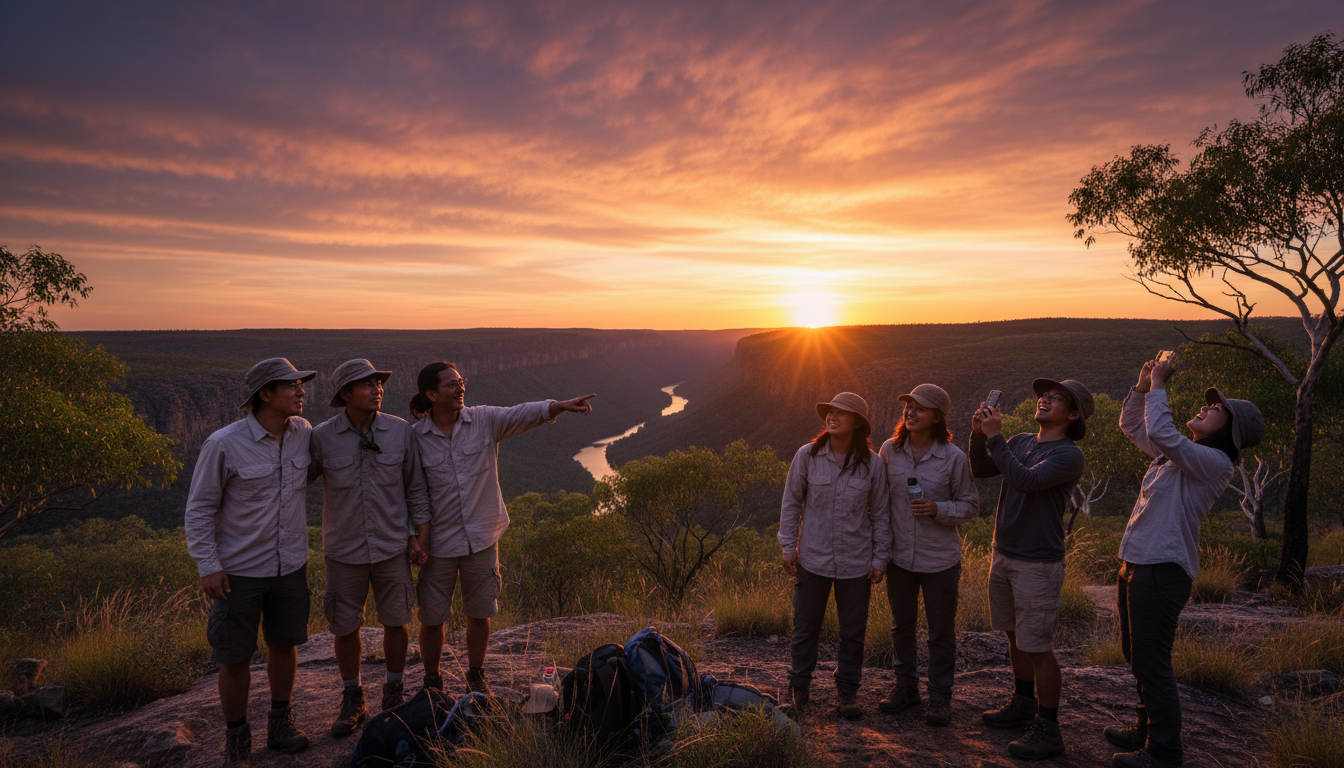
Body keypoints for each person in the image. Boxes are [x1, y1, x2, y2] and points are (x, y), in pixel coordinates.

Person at [1107, 358, 1262, 768]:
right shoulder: (1180, 456)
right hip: (1137, 562)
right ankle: (1145, 728)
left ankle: (1163, 752)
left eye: (1216, 410)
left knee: (1151, 660)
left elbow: (1159, 428)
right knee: (1135, 652)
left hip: (1162, 569)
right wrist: (1142, 388)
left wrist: (1160, 383)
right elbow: (1136, 427)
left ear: (1230, 430)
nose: (1205, 408)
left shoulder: (1213, 463)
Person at [409, 362, 596, 694]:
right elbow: (413, 492)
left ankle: (476, 674)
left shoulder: (482, 420)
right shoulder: (416, 439)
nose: (460, 388)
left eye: (461, 382)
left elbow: (520, 414)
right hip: (439, 544)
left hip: (482, 538)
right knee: (432, 617)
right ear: (431, 394)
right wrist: (416, 536)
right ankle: (431, 680)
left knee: (479, 612)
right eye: (451, 385)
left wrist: (559, 406)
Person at [184, 358, 317, 766]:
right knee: (235, 655)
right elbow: (199, 509)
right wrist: (208, 565)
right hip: (238, 570)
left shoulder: (303, 433)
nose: (301, 391)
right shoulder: (222, 443)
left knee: (284, 643)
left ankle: (281, 725)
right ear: (265, 394)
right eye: (291, 386)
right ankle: (237, 741)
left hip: (290, 563)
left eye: (301, 384)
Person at [309, 359, 432, 737]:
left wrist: (419, 535)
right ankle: (353, 698)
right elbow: (294, 481)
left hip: (392, 544)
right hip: (343, 549)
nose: (377, 389)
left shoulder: (400, 432)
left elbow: (415, 488)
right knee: (345, 626)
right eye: (366, 384)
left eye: (378, 382)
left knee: (397, 620)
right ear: (345, 394)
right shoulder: (321, 437)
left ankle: (393, 693)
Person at [970, 378, 1091, 761]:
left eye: (1056, 398)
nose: (1045, 398)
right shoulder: (1022, 440)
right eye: (1045, 394)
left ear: (1072, 415)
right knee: (1014, 636)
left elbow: (1023, 481)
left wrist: (995, 437)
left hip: (1038, 561)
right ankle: (1022, 703)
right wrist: (978, 435)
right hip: (1004, 552)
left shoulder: (1069, 455)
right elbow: (981, 469)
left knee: (1038, 647)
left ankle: (1049, 728)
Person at [779, 392, 891, 721]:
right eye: (830, 412)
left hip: (856, 563)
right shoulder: (807, 456)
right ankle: (799, 689)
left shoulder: (873, 465)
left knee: (853, 631)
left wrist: (880, 558)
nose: (832, 417)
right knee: (805, 628)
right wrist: (788, 546)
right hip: (812, 559)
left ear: (857, 423)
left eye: (841, 413)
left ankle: (848, 692)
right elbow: (791, 504)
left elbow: (882, 515)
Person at [877, 384, 978, 726]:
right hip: (899, 558)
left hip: (940, 560)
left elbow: (970, 506)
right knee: (901, 627)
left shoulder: (953, 458)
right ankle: (906, 688)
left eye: (920, 408)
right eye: (908, 406)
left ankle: (939, 698)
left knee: (940, 632)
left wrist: (938, 508)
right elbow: (878, 503)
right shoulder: (889, 451)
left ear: (936, 416)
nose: (911, 412)